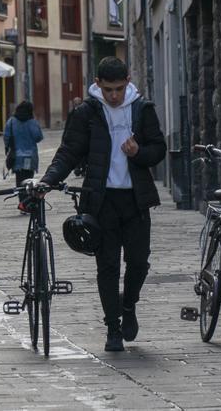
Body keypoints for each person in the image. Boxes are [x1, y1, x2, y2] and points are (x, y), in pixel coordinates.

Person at [37, 57, 166, 352]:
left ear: (128, 81)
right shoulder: (87, 112)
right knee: (107, 266)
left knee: (138, 262)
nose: (114, 96)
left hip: (135, 200)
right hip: (100, 199)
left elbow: (158, 149)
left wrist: (138, 152)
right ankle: (113, 328)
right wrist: (48, 180)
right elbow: (69, 151)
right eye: (108, 89)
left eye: (119, 89)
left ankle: (129, 304)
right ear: (97, 84)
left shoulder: (141, 109)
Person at [4, 101, 43, 211]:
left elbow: (6, 137)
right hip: (30, 157)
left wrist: (8, 147)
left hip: (17, 157)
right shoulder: (32, 122)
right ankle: (29, 202)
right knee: (29, 180)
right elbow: (38, 137)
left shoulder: (11, 121)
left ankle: (22, 202)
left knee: (20, 181)